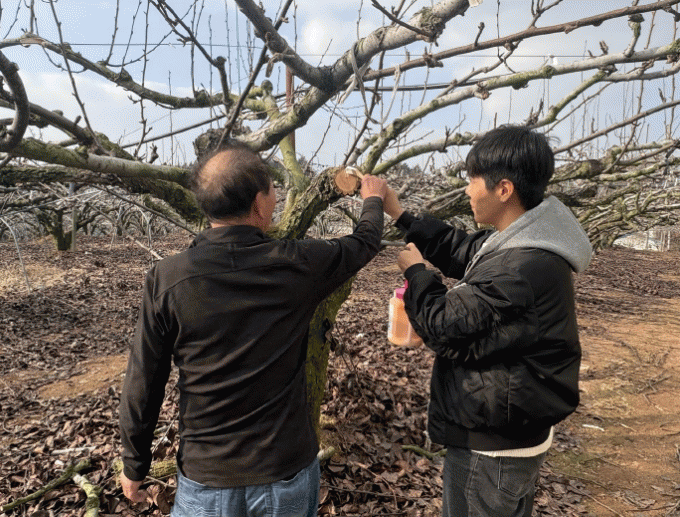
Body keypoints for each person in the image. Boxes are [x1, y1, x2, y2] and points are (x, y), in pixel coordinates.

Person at [119, 141, 388, 517]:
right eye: (273, 190)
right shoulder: (298, 264)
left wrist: (134, 463)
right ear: (260, 204)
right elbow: (363, 242)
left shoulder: (167, 279)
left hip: (206, 476)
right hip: (284, 473)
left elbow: (144, 378)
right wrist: (372, 199)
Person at [382, 125, 592, 517]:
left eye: (472, 180)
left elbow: (442, 325)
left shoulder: (521, 266)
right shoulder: (522, 240)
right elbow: (461, 249)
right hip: (511, 430)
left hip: (493, 450)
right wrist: (398, 213)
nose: (466, 190)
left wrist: (417, 274)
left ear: (504, 189)